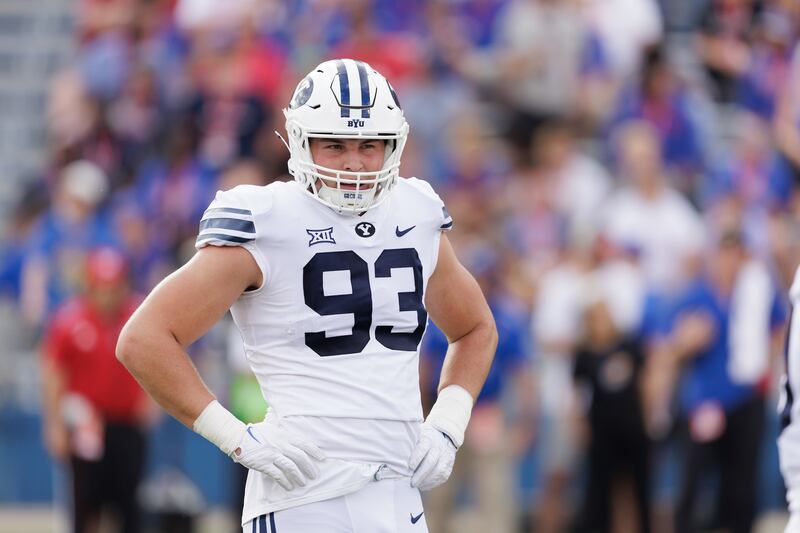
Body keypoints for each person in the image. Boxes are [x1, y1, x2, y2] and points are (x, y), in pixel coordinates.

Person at [116, 58, 498, 533]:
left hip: (398, 490)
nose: (354, 163)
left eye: (369, 145)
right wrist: (236, 437)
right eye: (334, 145)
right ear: (300, 142)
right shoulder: (265, 219)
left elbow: (475, 328)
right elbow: (143, 339)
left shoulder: (416, 213)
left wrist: (446, 424)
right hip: (303, 494)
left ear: (393, 145)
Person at [41, 247, 151, 533]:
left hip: (128, 424)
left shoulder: (138, 316)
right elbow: (55, 373)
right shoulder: (69, 321)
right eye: (102, 288)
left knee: (128, 503)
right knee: (86, 502)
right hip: (86, 426)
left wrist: (151, 400)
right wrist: (54, 424)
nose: (108, 296)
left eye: (114, 288)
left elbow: (157, 358)